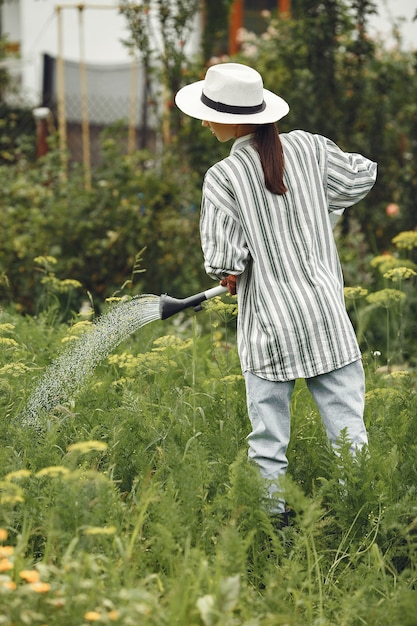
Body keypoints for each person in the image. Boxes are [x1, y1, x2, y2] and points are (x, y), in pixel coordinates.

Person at [175, 63, 377, 524]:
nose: (205, 121)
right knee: (348, 429)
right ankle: (362, 512)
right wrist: (322, 210)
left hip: (270, 324)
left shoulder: (224, 177)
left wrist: (230, 273)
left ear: (235, 118)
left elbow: (224, 260)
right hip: (327, 317)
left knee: (268, 440)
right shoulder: (310, 148)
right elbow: (360, 178)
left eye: (210, 113)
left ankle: (274, 526)